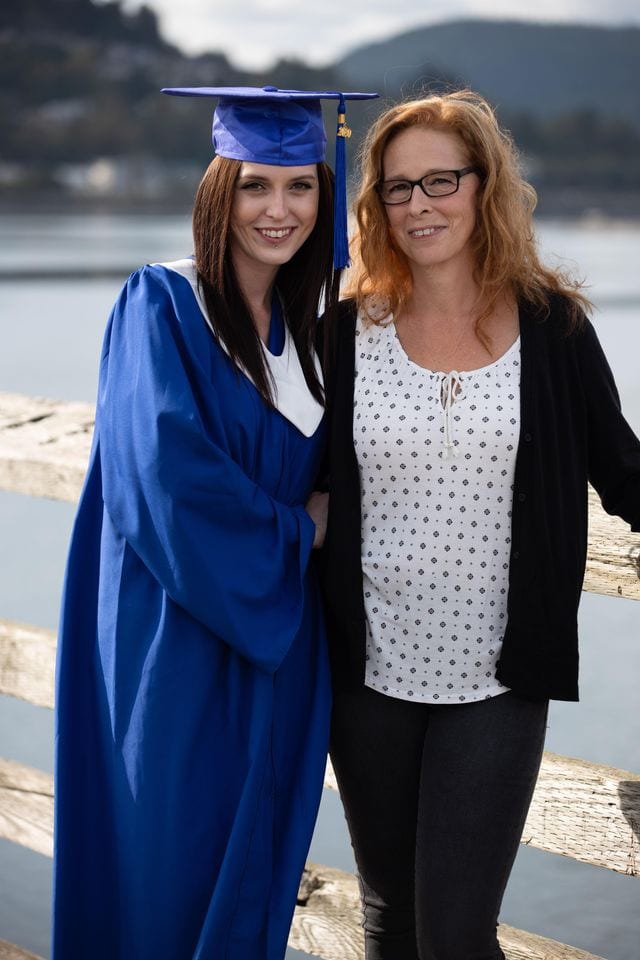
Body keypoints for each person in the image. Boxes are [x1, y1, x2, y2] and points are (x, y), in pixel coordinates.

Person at [52, 85, 376, 960]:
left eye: (301, 186)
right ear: (218, 190)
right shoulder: (163, 305)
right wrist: (298, 535)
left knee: (256, 880)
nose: (280, 210)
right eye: (255, 186)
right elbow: (164, 478)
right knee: (168, 871)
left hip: (281, 654)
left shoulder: (315, 334)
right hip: (179, 642)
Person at [319, 89, 640, 960]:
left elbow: (625, 472)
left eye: (440, 181)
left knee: (456, 936)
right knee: (392, 928)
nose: (419, 205)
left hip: (496, 681)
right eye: (397, 188)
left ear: (484, 185)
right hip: (367, 676)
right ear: (375, 204)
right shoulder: (345, 334)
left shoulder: (555, 328)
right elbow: (294, 476)